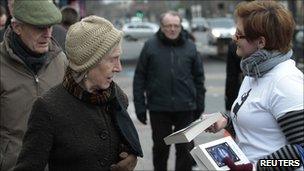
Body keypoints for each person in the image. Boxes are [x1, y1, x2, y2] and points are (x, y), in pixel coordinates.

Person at [14, 15, 143, 171]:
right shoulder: (48, 108)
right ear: (89, 63)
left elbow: (124, 142)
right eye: (112, 59)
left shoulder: (117, 96)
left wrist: (130, 155)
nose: (119, 67)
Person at [206, 1, 304, 171]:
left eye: (239, 34)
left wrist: (256, 168)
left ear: (260, 42)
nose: (233, 39)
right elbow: (258, 128)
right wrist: (226, 120)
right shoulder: (254, 70)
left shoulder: (285, 81)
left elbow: (301, 152)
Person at [133, 11, 206, 171]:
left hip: (186, 107)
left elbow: (199, 79)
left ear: (180, 26)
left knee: (185, 150)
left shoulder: (190, 47)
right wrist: (140, 107)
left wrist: (199, 105)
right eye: (168, 26)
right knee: (160, 149)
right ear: (161, 27)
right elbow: (140, 77)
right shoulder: (150, 46)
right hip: (159, 108)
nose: (172, 29)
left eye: (175, 26)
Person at [0, 0, 68, 170]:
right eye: (39, 27)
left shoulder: (61, 61)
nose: (47, 34)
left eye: (50, 26)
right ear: (17, 27)